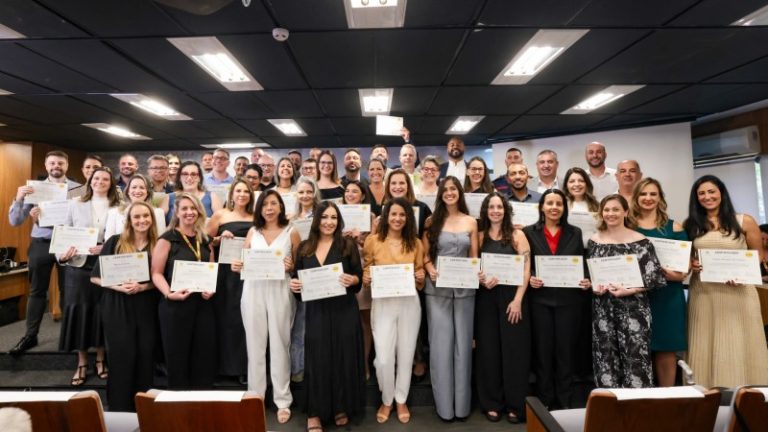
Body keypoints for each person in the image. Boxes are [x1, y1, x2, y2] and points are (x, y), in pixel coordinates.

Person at [684, 175, 768, 388]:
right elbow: (686, 258)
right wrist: (692, 263)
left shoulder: (744, 221)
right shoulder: (690, 224)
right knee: (705, 341)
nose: (707, 196)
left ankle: (750, 393)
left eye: (711, 191)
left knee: (741, 339)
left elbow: (757, 256)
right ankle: (706, 393)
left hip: (739, 292)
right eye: (701, 193)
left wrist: (743, 274)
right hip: (704, 293)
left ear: (722, 193)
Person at [290, 201, 365, 430]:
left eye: (333, 217)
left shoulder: (347, 245)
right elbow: (298, 281)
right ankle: (314, 412)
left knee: (342, 358)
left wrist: (354, 280)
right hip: (317, 312)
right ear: (316, 220)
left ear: (339, 220)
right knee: (318, 359)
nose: (329, 222)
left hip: (344, 310)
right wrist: (295, 286)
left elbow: (358, 279)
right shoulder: (304, 248)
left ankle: (340, 406)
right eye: (324, 217)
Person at [232, 190, 299, 424]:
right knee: (255, 346)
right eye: (265, 204)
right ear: (259, 209)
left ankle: (283, 400)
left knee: (281, 344)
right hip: (253, 291)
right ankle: (256, 398)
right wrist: (238, 265)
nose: (269, 208)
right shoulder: (253, 231)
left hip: (281, 290)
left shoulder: (292, 232)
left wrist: (292, 266)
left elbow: (299, 266)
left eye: (274, 203)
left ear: (281, 207)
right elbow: (243, 262)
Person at [587, 194, 665, 388]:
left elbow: (655, 277)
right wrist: (594, 287)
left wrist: (629, 290)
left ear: (625, 212)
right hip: (603, 309)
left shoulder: (640, 241)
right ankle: (609, 407)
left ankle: (638, 409)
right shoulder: (594, 241)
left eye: (615, 209)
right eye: (606, 210)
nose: (611, 213)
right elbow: (592, 274)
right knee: (605, 359)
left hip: (634, 309)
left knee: (635, 360)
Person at [8, 150, 81, 355]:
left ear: (66, 166)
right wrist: (20, 199)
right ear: (46, 165)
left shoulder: (76, 189)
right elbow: (15, 221)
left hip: (67, 242)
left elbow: (81, 218)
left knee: (69, 290)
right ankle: (30, 336)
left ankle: (70, 337)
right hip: (41, 242)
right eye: (52, 163)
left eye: (60, 163)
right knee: (37, 291)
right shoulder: (33, 189)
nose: (56, 166)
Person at [523, 189, 590, 410]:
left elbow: (581, 262)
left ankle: (565, 403)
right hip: (539, 301)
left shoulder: (575, 232)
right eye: (549, 203)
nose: (554, 207)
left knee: (565, 354)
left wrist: (585, 279)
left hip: (569, 302)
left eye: (558, 204)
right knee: (543, 353)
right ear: (541, 207)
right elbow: (524, 264)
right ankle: (544, 404)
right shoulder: (528, 232)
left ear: (564, 208)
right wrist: (530, 277)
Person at [90, 201, 158, 411]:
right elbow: (95, 278)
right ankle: (119, 408)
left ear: (152, 219)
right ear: (129, 221)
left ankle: (143, 406)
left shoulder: (159, 244)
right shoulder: (114, 242)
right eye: (136, 217)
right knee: (121, 357)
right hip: (118, 306)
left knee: (145, 356)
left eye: (146, 216)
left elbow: (162, 278)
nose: (141, 220)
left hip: (147, 306)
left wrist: (142, 287)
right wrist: (120, 287)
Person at [362, 198, 425, 424]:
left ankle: (400, 399)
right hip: (383, 302)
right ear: (386, 216)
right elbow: (367, 267)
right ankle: (386, 398)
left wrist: (421, 276)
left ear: (408, 218)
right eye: (394, 214)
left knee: (406, 354)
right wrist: (366, 277)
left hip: (409, 302)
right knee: (385, 358)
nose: (398, 219)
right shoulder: (373, 241)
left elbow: (420, 272)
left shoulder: (416, 243)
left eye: (402, 215)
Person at [58, 167, 120, 387]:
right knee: (80, 314)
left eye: (105, 179)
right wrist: (62, 256)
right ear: (90, 181)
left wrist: (104, 248)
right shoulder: (75, 204)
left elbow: (121, 237)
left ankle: (101, 359)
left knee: (102, 314)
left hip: (105, 265)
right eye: (96, 178)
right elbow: (63, 233)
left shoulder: (118, 206)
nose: (100, 182)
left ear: (111, 183)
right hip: (78, 266)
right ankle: (82, 362)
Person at [422, 176, 478, 421]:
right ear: (440, 194)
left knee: (463, 347)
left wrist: (479, 272)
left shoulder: (471, 221)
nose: (449, 193)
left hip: (465, 290)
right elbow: (424, 256)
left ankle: (462, 407)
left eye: (453, 189)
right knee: (441, 347)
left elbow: (474, 257)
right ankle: (445, 408)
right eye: (445, 190)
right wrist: (430, 269)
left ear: (459, 192)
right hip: (437, 289)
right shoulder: (431, 221)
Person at [475, 192, 533, 423]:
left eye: (500, 207)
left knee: (514, 352)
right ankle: (491, 402)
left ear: (506, 210)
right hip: (486, 298)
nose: (496, 211)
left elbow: (526, 269)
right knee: (488, 351)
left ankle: (515, 405)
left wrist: (518, 299)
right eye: (491, 207)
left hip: (513, 298)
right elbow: (473, 265)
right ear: (486, 211)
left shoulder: (518, 235)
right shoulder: (479, 237)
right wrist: (479, 276)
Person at [151, 192, 217, 389]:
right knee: (177, 356)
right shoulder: (167, 238)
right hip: (175, 306)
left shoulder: (205, 239)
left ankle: (200, 402)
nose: (190, 212)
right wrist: (169, 294)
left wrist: (210, 290)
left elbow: (210, 270)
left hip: (203, 306)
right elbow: (156, 273)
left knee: (203, 355)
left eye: (193, 208)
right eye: (184, 209)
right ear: (176, 212)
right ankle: (178, 404)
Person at [629, 178, 688, 387]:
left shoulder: (674, 227)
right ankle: (644, 401)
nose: (648, 198)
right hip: (636, 295)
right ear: (636, 198)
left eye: (653, 194)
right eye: (643, 194)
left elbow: (683, 270)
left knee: (666, 348)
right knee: (638, 348)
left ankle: (667, 398)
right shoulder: (627, 226)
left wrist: (669, 273)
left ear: (660, 197)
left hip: (668, 295)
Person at [206, 179, 254, 382]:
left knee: (245, 320)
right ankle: (223, 367)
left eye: (246, 191)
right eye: (238, 191)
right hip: (225, 274)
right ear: (231, 194)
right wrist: (218, 239)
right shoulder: (221, 215)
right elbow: (205, 242)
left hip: (248, 272)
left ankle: (243, 367)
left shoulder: (255, 217)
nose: (242, 194)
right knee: (225, 318)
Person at [290, 177, 321, 382]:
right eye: (301, 192)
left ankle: (320, 367)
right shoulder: (290, 218)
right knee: (299, 324)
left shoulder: (322, 216)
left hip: (320, 272)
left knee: (320, 324)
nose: (305, 196)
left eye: (309, 192)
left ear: (315, 193)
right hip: (300, 272)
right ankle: (298, 370)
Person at [342, 180, 374, 381]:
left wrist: (360, 239)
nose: (350, 194)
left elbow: (376, 248)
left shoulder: (371, 217)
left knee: (365, 322)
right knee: (345, 321)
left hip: (364, 270)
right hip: (343, 273)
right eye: (347, 191)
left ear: (363, 196)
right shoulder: (336, 215)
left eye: (355, 191)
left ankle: (364, 363)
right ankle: (347, 364)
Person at [104, 174, 167, 239]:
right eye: (134, 187)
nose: (137, 191)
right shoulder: (114, 212)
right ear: (128, 191)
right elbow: (109, 241)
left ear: (147, 192)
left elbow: (160, 241)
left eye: (142, 188)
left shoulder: (158, 213)